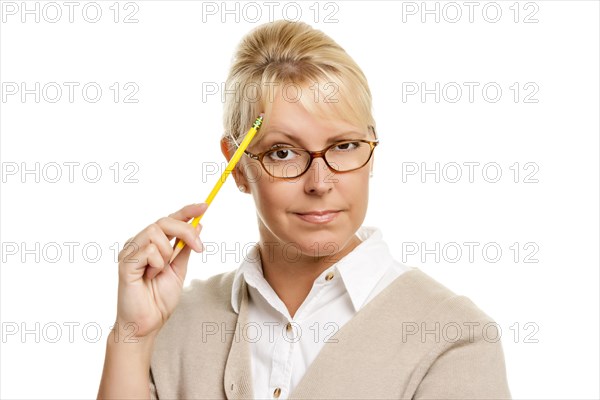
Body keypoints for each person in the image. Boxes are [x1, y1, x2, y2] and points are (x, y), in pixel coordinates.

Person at [97, 20, 511, 399]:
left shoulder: (455, 337)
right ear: (237, 166)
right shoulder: (172, 323)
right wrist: (132, 337)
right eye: (282, 152)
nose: (319, 182)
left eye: (344, 146)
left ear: (373, 149)